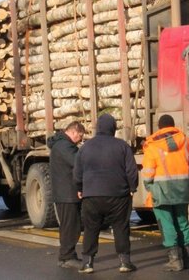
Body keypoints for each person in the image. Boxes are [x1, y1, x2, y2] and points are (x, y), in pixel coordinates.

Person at [73, 114, 138, 274]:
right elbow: (131, 170)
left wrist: (80, 188)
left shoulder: (85, 147)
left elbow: (77, 172)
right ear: (113, 129)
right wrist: (132, 188)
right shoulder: (122, 146)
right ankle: (124, 262)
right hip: (118, 195)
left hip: (92, 195)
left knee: (91, 228)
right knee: (121, 227)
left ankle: (87, 263)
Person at [141, 115, 189, 271]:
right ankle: (188, 259)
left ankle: (175, 261)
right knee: (183, 222)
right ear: (173, 125)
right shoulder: (184, 140)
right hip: (182, 188)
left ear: (159, 127)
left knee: (167, 224)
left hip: (161, 190)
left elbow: (148, 171)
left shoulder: (152, 145)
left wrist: (148, 185)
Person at [48, 120, 86, 269]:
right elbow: (78, 162)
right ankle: (66, 257)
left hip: (66, 193)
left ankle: (67, 255)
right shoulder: (65, 147)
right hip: (67, 194)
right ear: (73, 131)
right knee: (71, 226)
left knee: (69, 226)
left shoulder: (62, 145)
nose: (81, 139)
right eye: (80, 136)